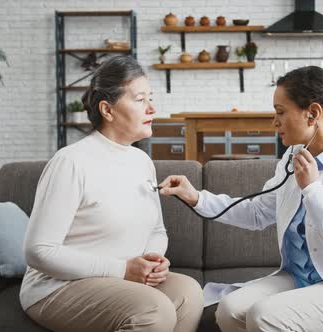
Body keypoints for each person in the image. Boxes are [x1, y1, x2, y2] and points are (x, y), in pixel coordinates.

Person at [158, 66, 323, 332]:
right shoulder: (293, 156)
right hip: (299, 278)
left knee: (264, 315)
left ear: (313, 113)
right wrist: (196, 198)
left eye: (280, 112)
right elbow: (257, 212)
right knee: (229, 309)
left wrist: (313, 190)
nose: (274, 122)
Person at [20, 55, 204, 332]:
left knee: (188, 293)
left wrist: (151, 261)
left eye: (150, 98)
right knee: (155, 310)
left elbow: (157, 230)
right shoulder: (71, 162)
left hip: (122, 282)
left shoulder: (141, 161)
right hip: (59, 286)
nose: (152, 108)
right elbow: (38, 252)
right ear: (108, 110)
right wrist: (123, 270)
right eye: (140, 99)